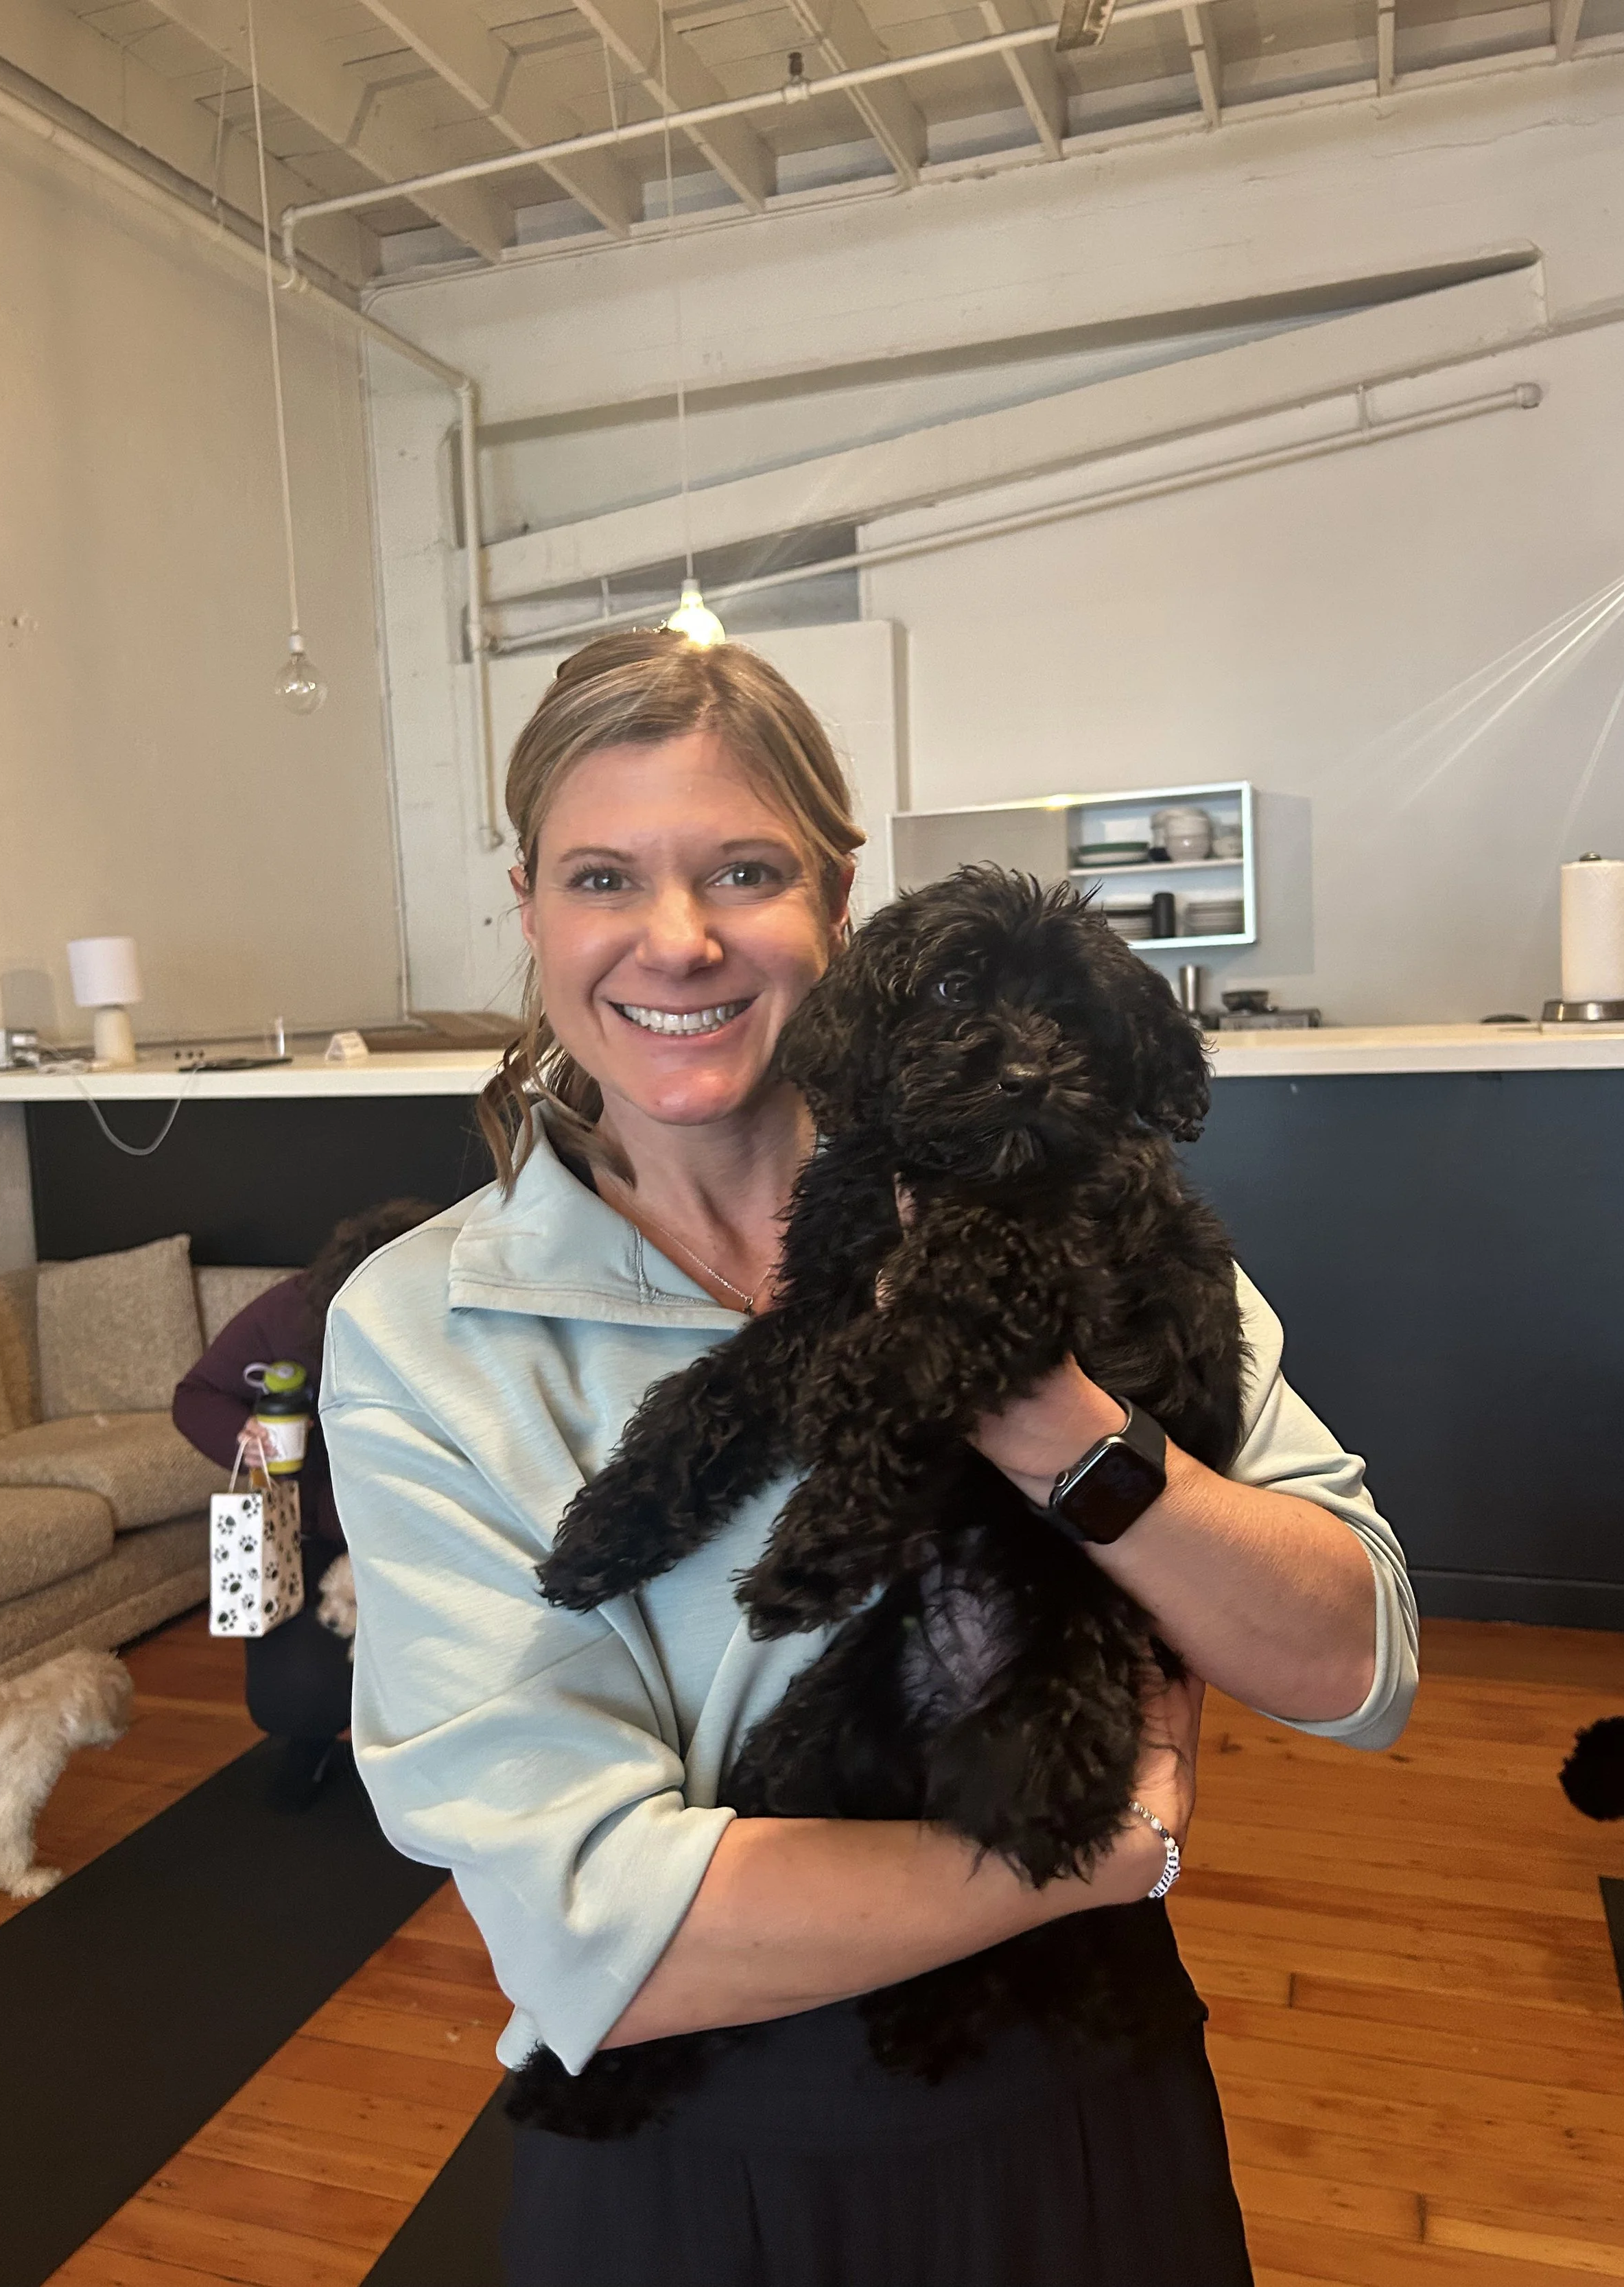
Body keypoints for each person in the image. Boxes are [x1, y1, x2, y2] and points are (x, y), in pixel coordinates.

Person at [321, 630, 1417, 2286]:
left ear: (839, 905)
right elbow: (596, 1927)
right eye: (604, 873)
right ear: (534, 910)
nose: (675, 940)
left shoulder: (1070, 1190)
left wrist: (1057, 1429)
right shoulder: (421, 1331)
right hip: (693, 2164)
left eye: (744, 870)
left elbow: (1356, 1659)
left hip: (1081, 2113)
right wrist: (1096, 1854)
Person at [172, 1199, 436, 1807]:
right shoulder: (288, 1312)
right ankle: (313, 1737)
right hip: (314, 1533)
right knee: (294, 1694)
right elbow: (198, 1394)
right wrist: (245, 1436)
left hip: (424, 1528)